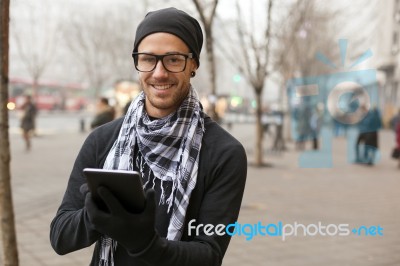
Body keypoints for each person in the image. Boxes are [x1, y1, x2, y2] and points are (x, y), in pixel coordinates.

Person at [50, 7, 247, 266]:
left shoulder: (224, 153)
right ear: (137, 63)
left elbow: (209, 255)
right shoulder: (103, 140)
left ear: (193, 65)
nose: (159, 72)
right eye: (147, 59)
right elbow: (60, 237)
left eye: (173, 59)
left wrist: (146, 244)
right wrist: (94, 214)